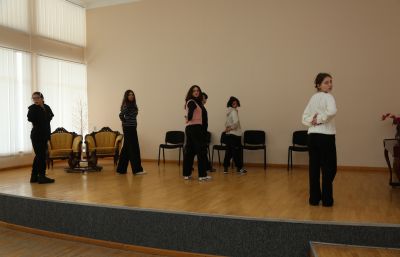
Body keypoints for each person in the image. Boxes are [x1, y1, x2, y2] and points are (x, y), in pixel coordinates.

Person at [302, 73, 337, 207]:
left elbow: (304, 117)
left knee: (314, 168)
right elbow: (332, 111)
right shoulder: (329, 97)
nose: (330, 85)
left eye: (331, 82)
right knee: (329, 168)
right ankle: (327, 200)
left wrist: (313, 121)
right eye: (326, 82)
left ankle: (314, 199)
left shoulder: (313, 98)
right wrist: (320, 120)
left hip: (312, 136)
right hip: (325, 136)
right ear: (318, 85)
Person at [183, 85, 211, 181]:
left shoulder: (194, 102)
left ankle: (187, 174)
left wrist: (188, 118)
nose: (196, 92)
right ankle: (202, 175)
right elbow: (190, 112)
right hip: (195, 129)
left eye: (198, 91)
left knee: (190, 151)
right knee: (201, 151)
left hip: (190, 129)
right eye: (194, 91)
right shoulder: (192, 102)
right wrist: (188, 118)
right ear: (191, 92)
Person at [27, 92, 55, 184]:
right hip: (36, 136)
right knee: (41, 156)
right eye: (33, 98)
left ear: (42, 98)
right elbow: (30, 118)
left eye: (37, 98)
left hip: (45, 135)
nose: (35, 100)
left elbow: (50, 116)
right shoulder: (32, 109)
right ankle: (42, 176)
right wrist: (40, 113)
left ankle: (34, 177)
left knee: (39, 156)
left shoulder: (46, 107)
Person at [116, 90, 146, 175]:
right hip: (128, 129)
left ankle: (121, 169)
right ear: (126, 96)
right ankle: (137, 170)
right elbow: (121, 115)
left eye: (132, 94)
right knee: (134, 148)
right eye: (129, 95)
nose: (131, 96)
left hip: (132, 128)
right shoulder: (126, 105)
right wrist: (125, 122)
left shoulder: (134, 105)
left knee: (126, 148)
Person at [223, 96, 247, 174]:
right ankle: (239, 168)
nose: (235, 104)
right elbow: (236, 124)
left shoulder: (228, 111)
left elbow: (227, 123)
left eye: (236, 103)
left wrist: (227, 129)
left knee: (229, 152)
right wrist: (229, 129)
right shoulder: (233, 111)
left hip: (229, 135)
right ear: (231, 103)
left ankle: (225, 168)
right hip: (235, 135)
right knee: (236, 152)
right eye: (233, 103)